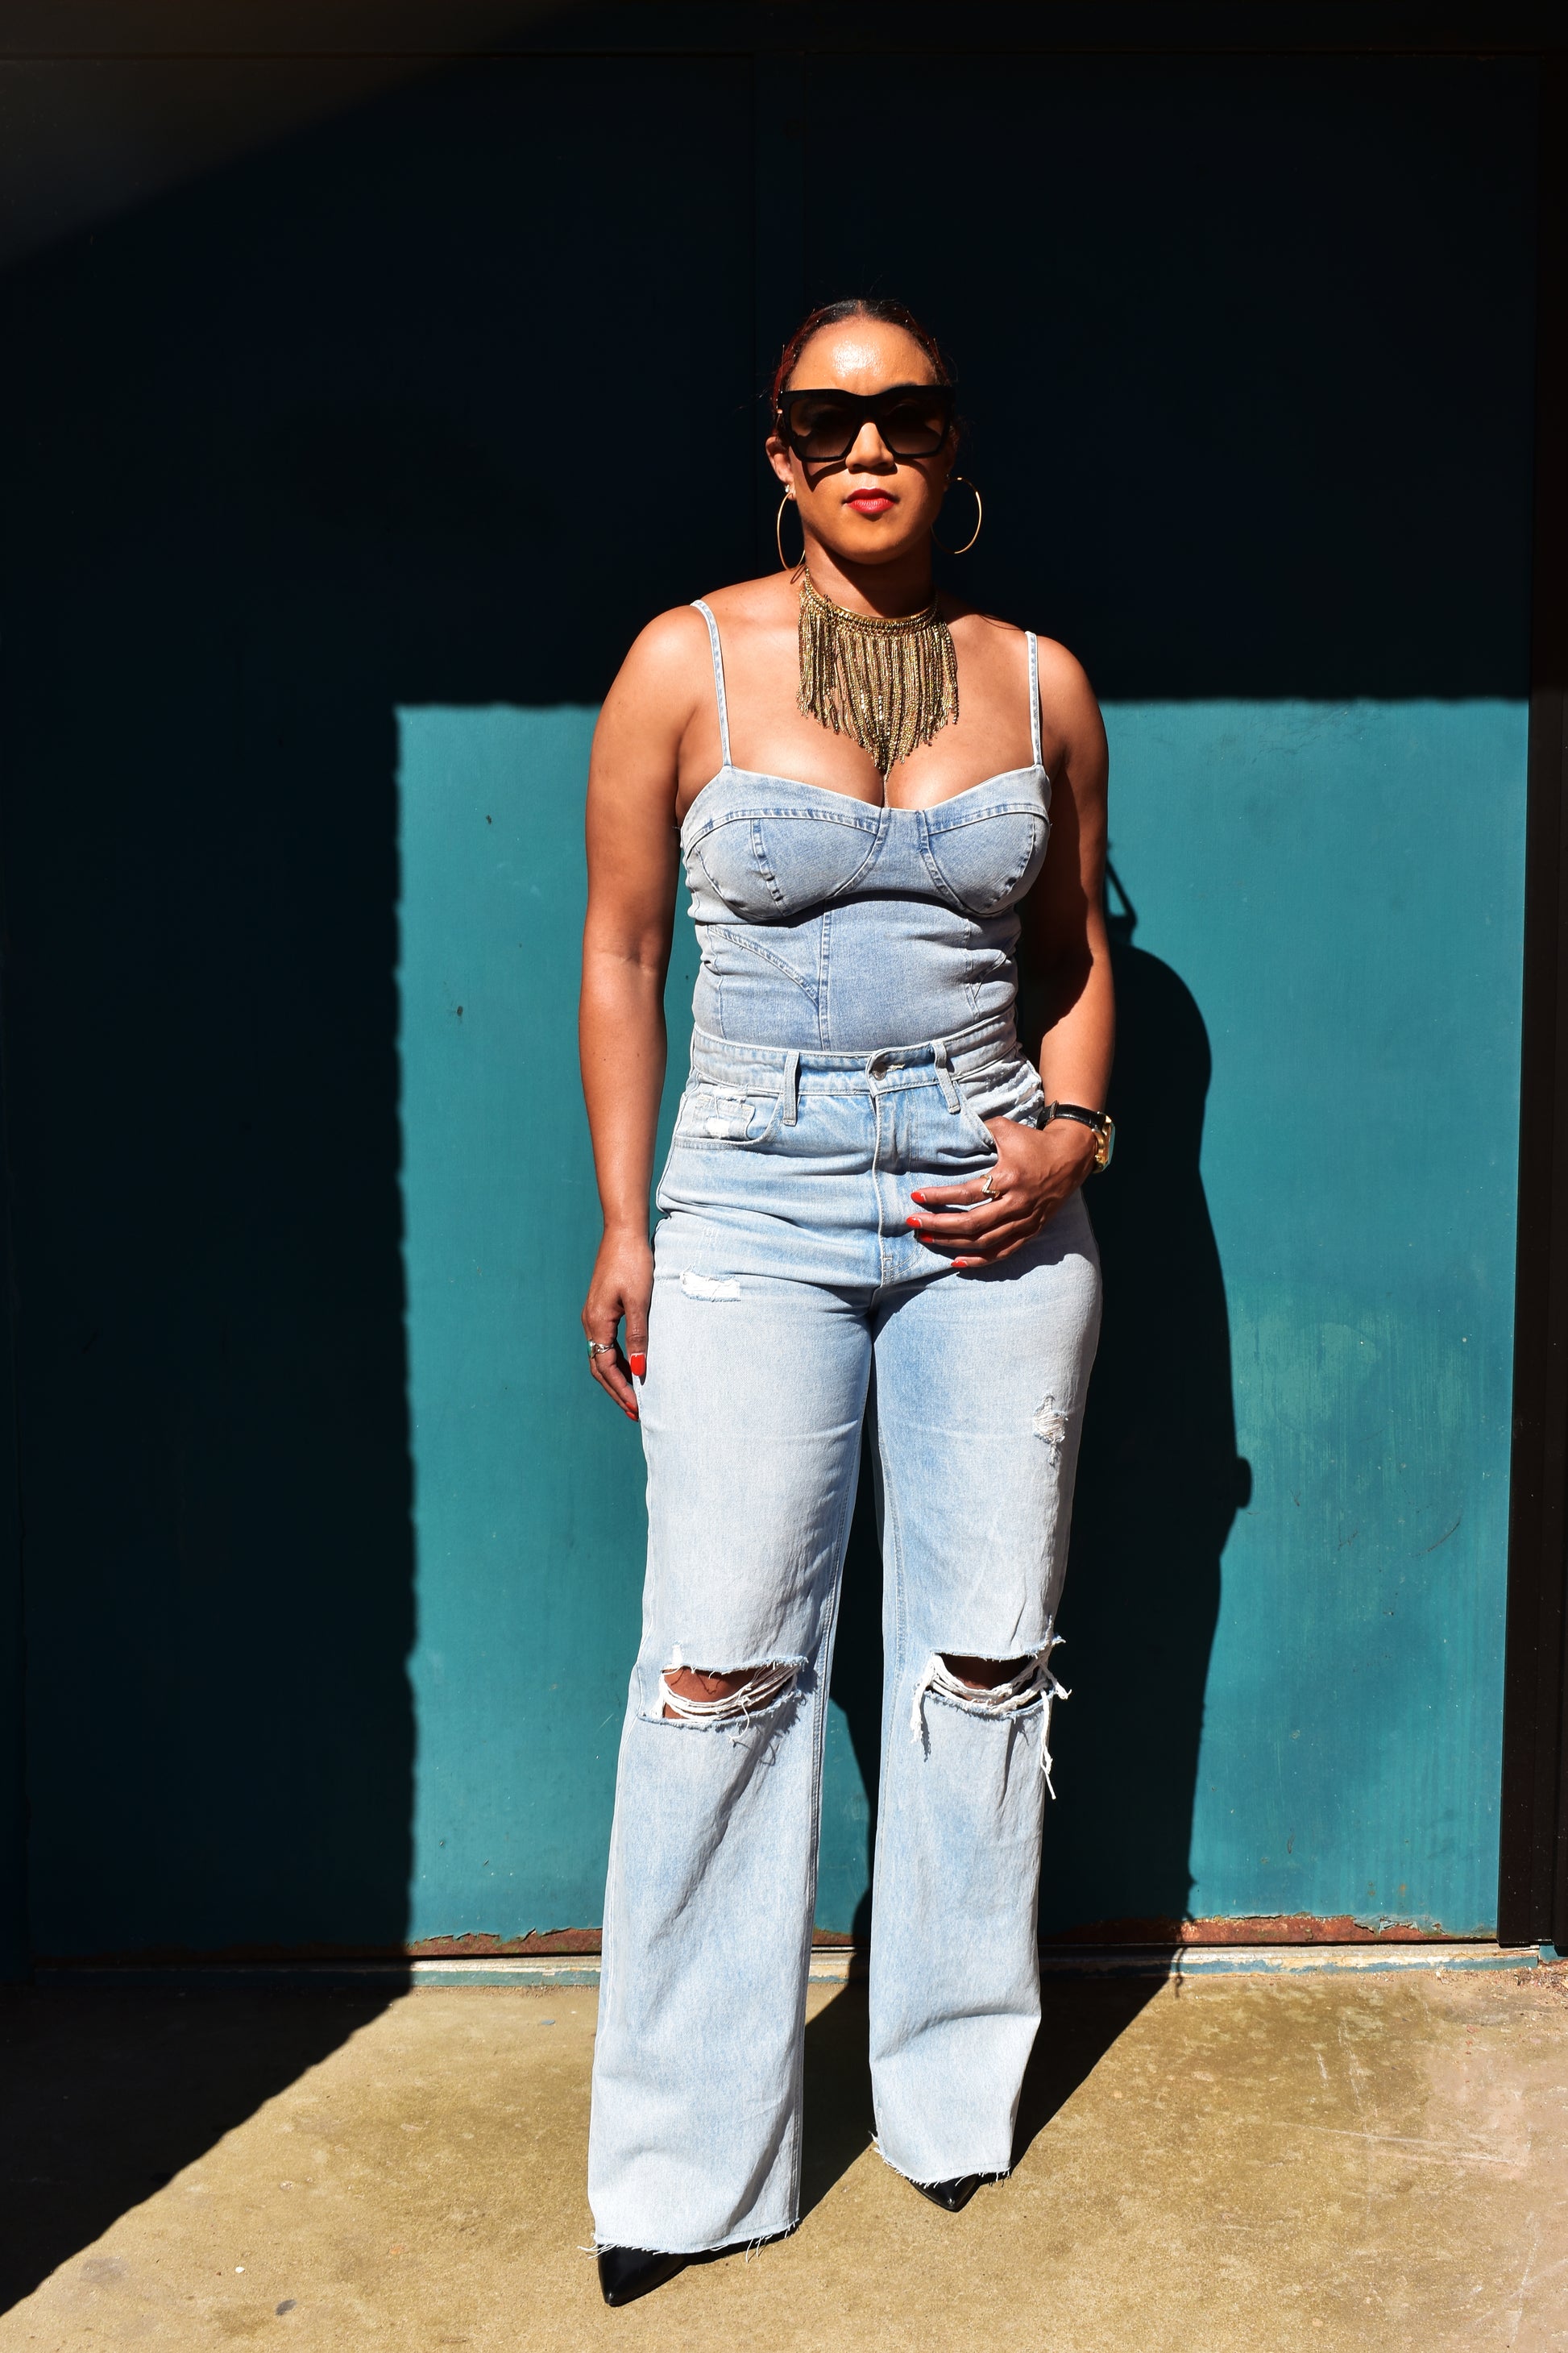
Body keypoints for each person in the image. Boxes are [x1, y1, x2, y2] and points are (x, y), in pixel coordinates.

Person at [577, 297, 1112, 2305]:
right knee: (719, 1667)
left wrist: (1071, 1130)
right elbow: (624, 952)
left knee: (982, 1661)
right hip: (754, 1202)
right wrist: (628, 1221)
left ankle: (948, 2097)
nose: (867, 443)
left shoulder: (1041, 676)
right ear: (777, 452)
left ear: (950, 441)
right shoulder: (683, 660)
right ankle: (687, 2159)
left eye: (904, 411)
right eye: (827, 417)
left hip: (1000, 1202)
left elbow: (1068, 948)